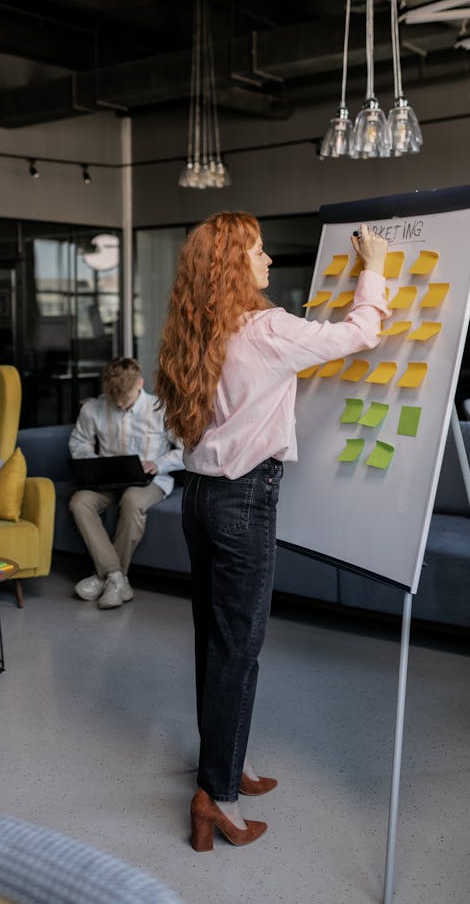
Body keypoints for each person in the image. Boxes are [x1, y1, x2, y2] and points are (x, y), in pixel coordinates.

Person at [155, 213, 388, 850]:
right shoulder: (266, 330)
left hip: (199, 498)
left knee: (216, 641)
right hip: (241, 502)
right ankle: (218, 800)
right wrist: (374, 268)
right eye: (258, 252)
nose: (267, 262)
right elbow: (363, 332)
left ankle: (228, 763)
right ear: (234, 265)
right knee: (238, 647)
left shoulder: (195, 331)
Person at [69, 356, 183, 610]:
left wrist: (158, 463)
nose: (120, 406)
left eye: (127, 401)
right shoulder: (93, 408)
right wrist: (95, 463)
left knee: (132, 500)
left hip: (150, 480)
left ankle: (105, 577)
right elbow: (78, 443)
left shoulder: (161, 409)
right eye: (115, 401)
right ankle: (116, 578)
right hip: (107, 481)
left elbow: (188, 450)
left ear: (140, 384)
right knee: (79, 502)